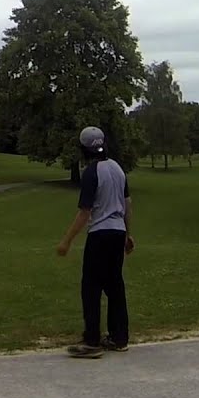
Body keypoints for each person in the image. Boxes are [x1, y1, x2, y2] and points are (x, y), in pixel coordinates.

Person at [55, 126, 133, 359]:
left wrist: (66, 241)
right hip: (118, 233)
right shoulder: (118, 168)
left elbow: (85, 213)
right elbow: (128, 203)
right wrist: (129, 234)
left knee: (90, 287)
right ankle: (119, 338)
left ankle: (91, 341)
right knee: (115, 286)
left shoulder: (91, 173)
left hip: (99, 234)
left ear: (84, 149)